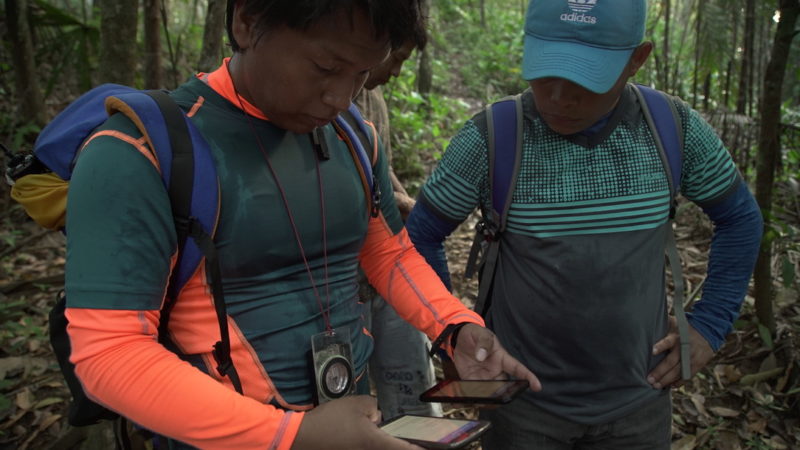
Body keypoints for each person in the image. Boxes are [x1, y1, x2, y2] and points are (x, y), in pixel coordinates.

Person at [63, 1, 539, 449]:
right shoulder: (138, 153)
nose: (341, 97)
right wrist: (291, 435)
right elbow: (109, 352)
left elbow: (388, 253)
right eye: (327, 69)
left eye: (361, 75)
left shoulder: (353, 138)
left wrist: (454, 327)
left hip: (348, 419)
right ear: (247, 20)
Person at [406, 0, 763, 448]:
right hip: (523, 407)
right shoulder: (493, 138)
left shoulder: (672, 129)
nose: (558, 97)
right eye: (545, 72)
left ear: (637, 59)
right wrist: (451, 334)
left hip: (640, 402)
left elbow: (740, 219)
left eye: (582, 79)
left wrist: (710, 324)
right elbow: (418, 238)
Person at [353, 30, 443, 420]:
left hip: (388, 277)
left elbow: (380, 171)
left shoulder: (373, 99)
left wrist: (403, 201)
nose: (396, 71)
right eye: (396, 58)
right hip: (337, 288)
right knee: (346, 409)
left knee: (413, 394)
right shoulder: (310, 99)